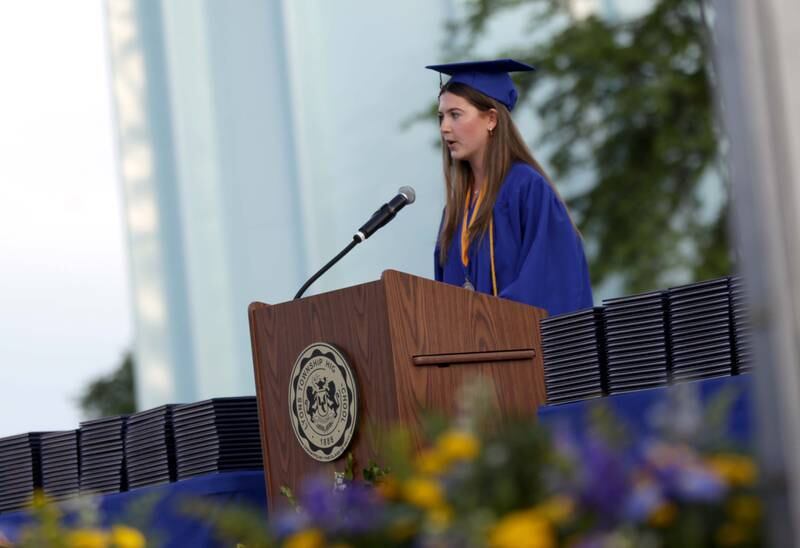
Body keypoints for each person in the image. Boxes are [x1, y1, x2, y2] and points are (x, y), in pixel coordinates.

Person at [427, 59, 593, 317]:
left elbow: (550, 283)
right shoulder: (456, 209)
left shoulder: (527, 189)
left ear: (491, 119)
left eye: (455, 115)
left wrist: (484, 321)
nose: (444, 127)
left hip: (525, 351)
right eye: (441, 117)